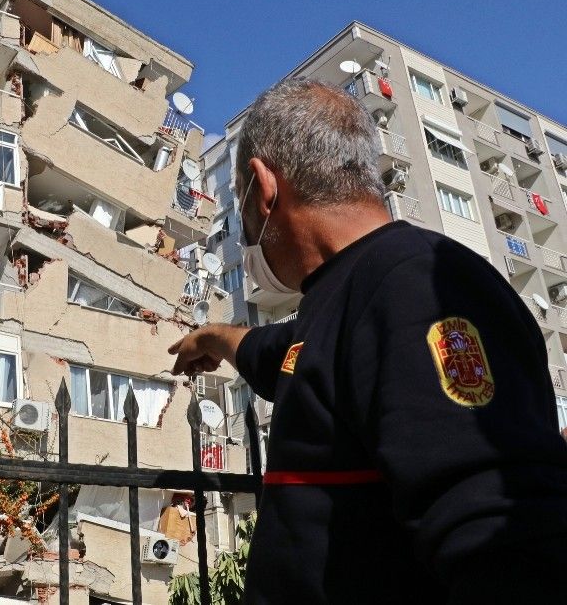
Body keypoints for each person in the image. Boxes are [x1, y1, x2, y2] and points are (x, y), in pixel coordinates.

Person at [169, 79, 567, 604]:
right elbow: (281, 355)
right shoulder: (347, 301)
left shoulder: (418, 287)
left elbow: (504, 545)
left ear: (264, 189)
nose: (246, 239)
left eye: (239, 210)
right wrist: (214, 337)